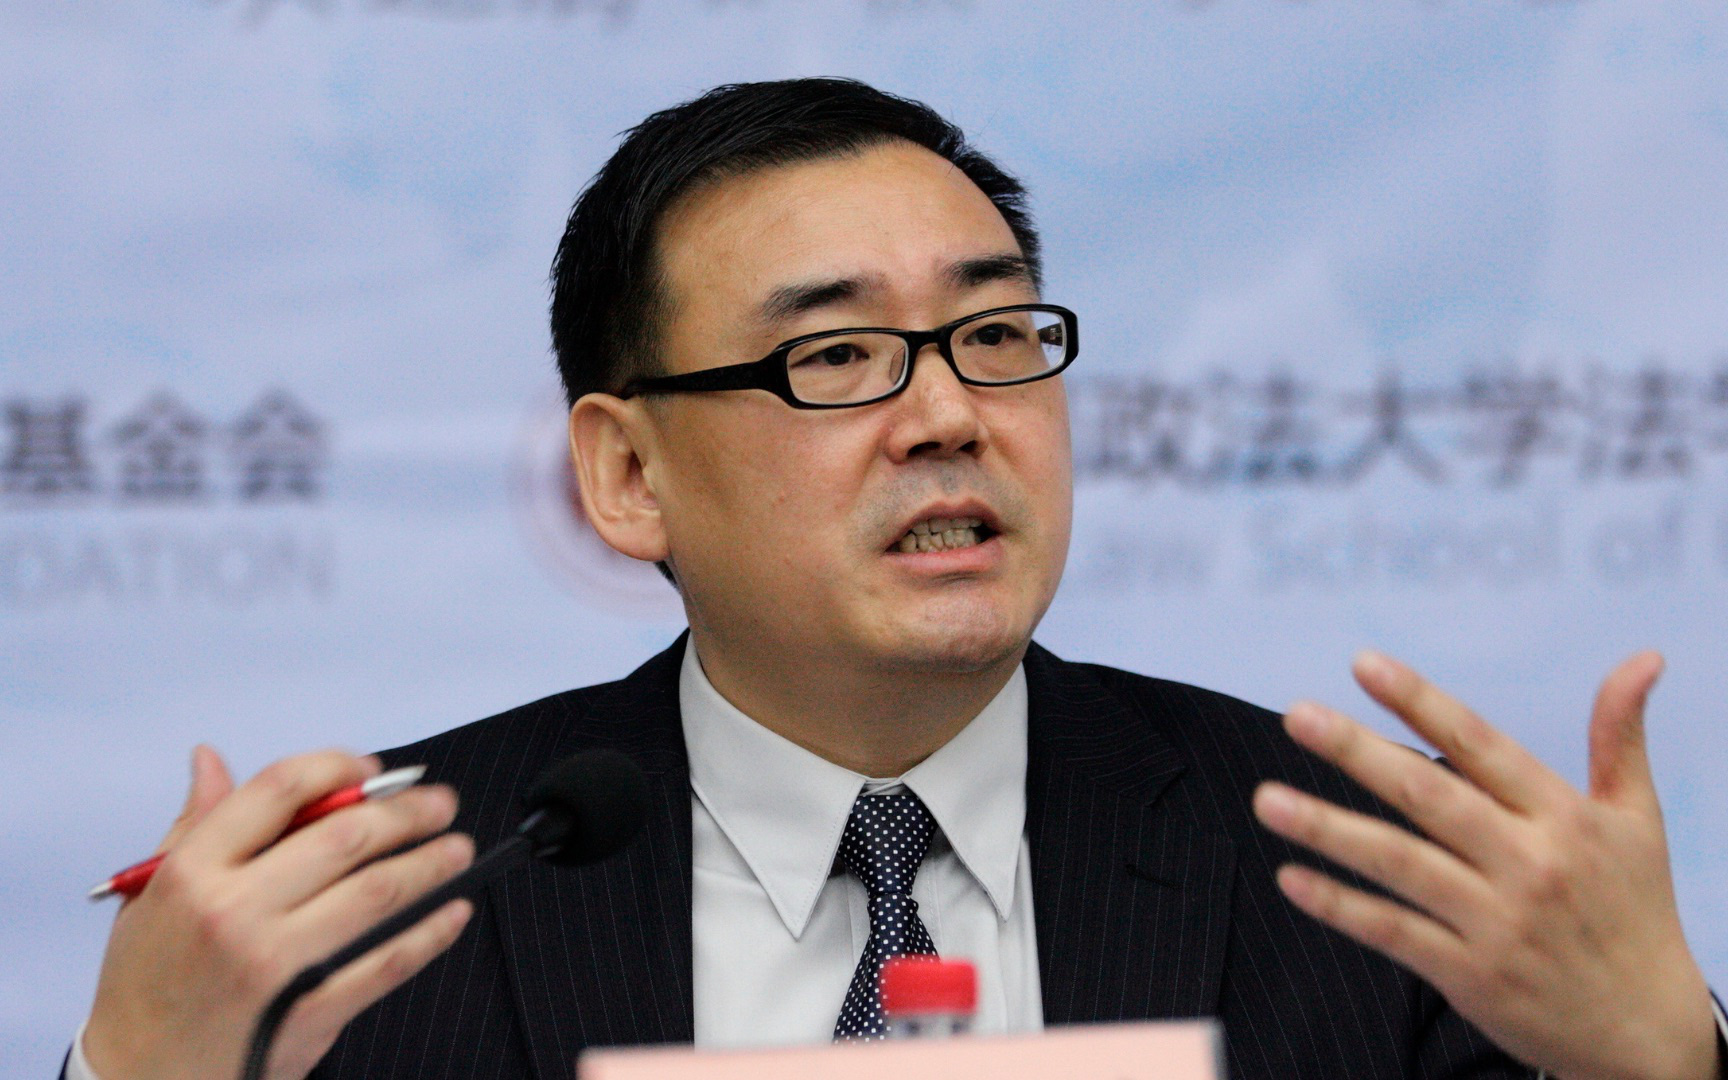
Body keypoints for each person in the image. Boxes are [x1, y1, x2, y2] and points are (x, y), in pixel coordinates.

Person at [69, 78, 1725, 1080]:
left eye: (996, 334)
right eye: (839, 356)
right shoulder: (388, 914)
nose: (949, 415)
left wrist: (1660, 1065)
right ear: (627, 474)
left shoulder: (1364, 879)